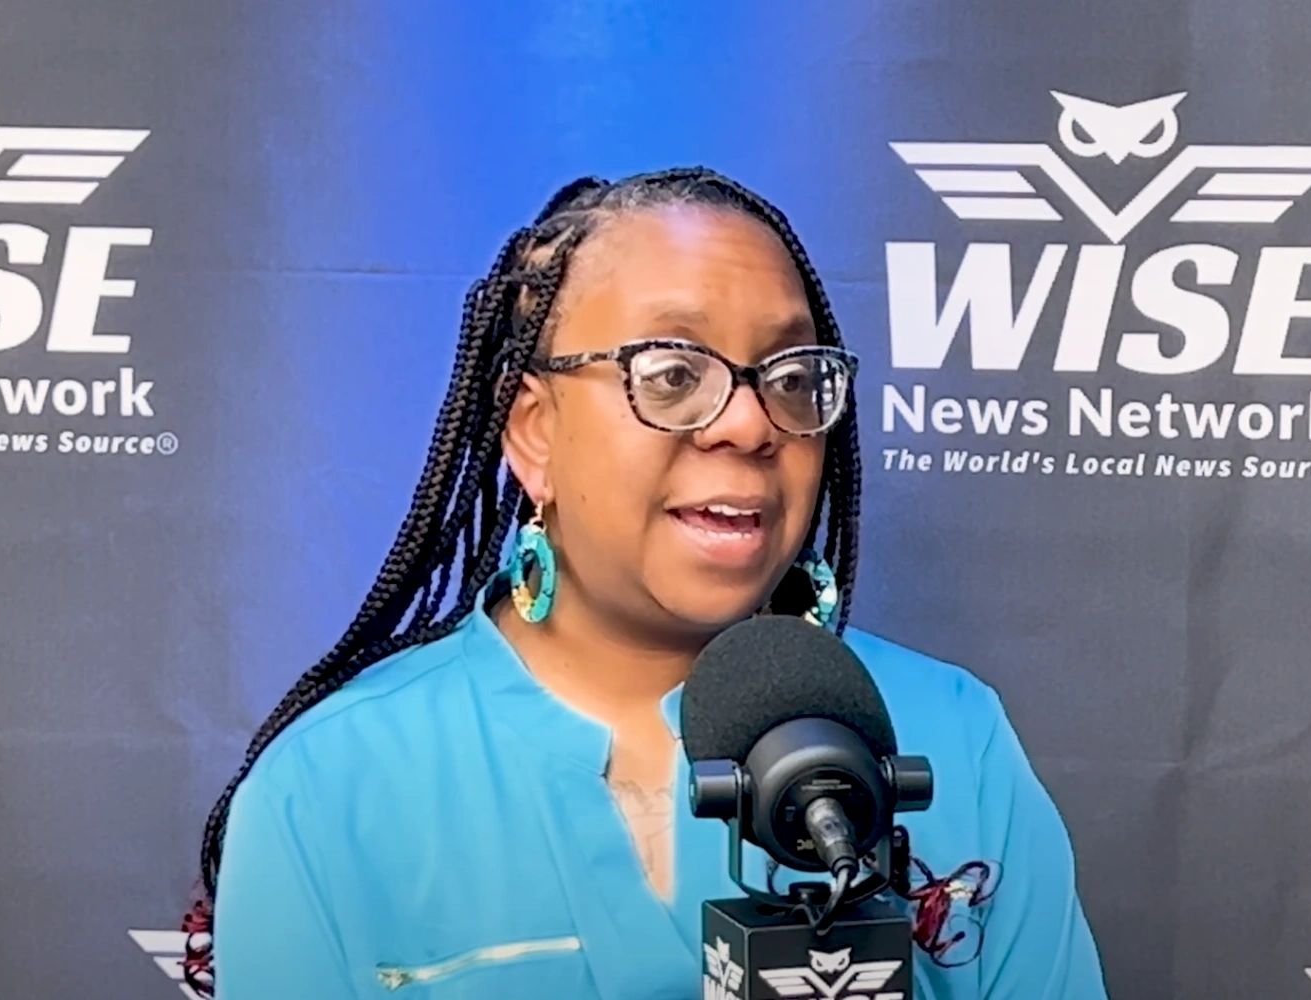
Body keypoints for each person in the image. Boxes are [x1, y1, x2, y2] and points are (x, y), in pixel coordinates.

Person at [182, 168, 1110, 999]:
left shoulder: (955, 733)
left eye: (793, 377)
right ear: (534, 433)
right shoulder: (331, 785)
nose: (751, 424)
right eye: (671, 374)